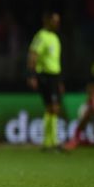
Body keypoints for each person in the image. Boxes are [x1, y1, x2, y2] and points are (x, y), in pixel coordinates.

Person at [27, 11, 65, 152]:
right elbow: (33, 54)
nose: (57, 23)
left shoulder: (55, 37)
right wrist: (31, 75)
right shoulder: (41, 36)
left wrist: (60, 81)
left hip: (55, 76)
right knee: (53, 107)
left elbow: (55, 61)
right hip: (45, 76)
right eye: (54, 20)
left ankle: (49, 142)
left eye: (58, 21)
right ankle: (51, 141)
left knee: (52, 108)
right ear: (47, 21)